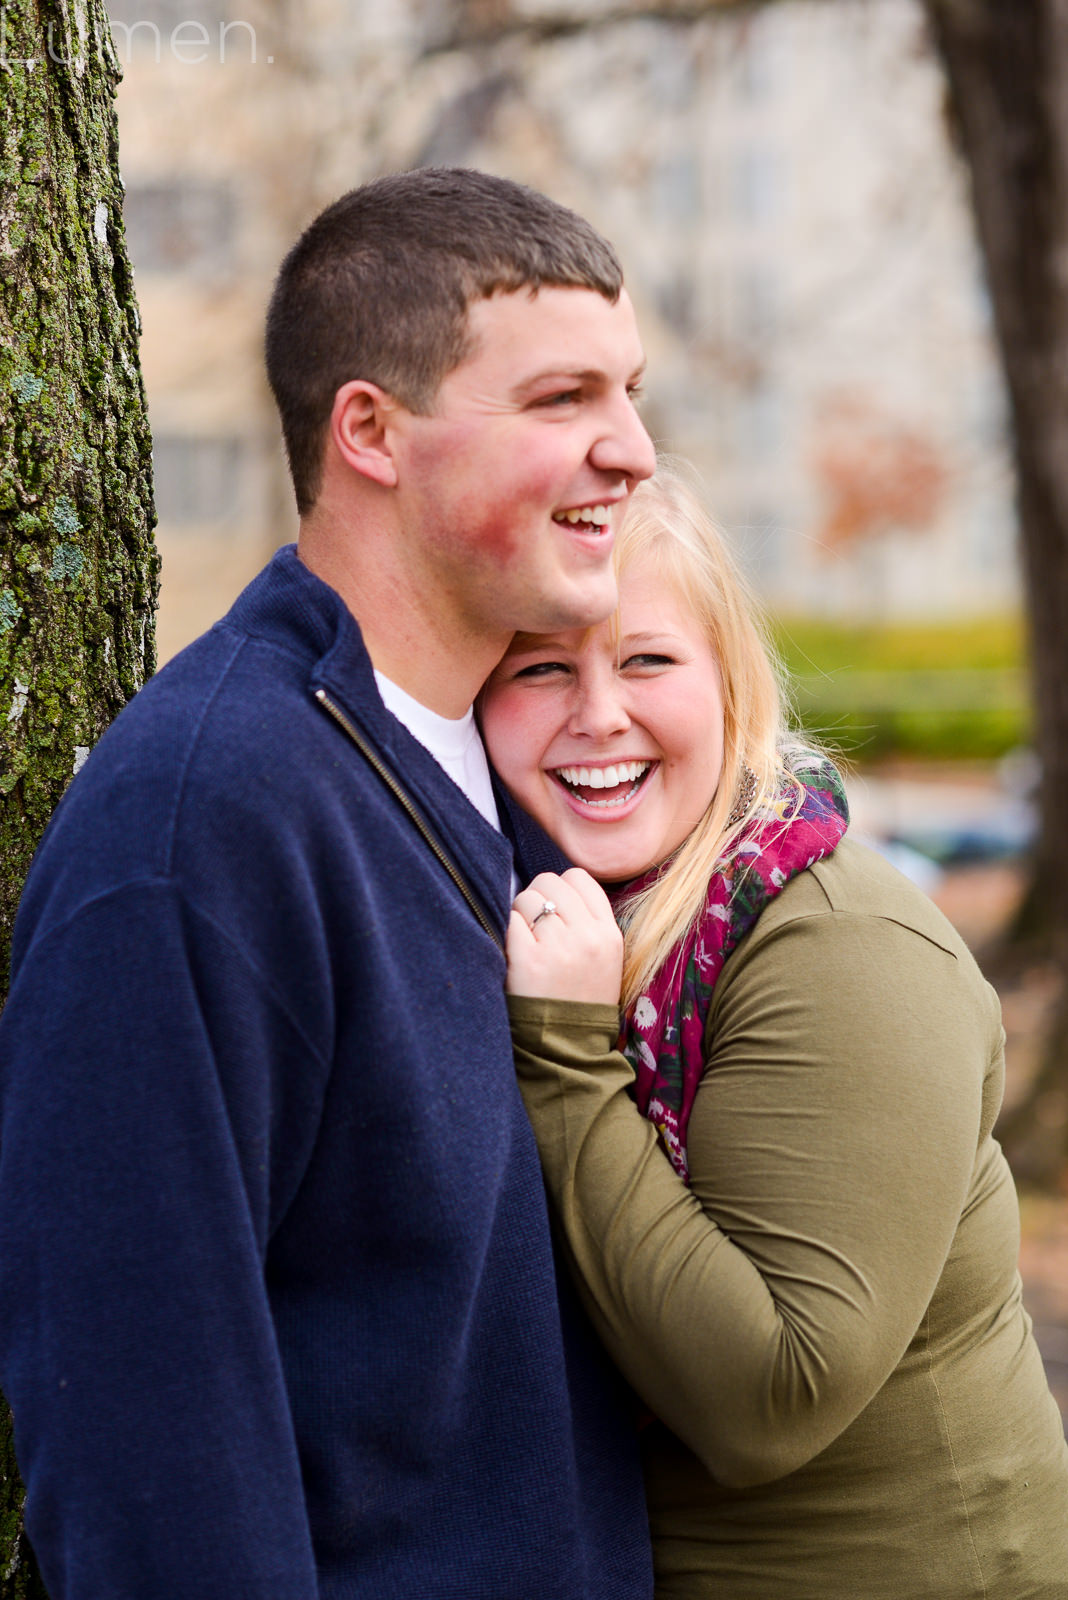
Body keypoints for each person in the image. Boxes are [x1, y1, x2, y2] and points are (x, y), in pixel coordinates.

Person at [0, 168, 659, 1599]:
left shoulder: (519, 770)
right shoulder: (200, 826)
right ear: (371, 430)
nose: (634, 451)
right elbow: (139, 1430)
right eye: (562, 402)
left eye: (631, 393)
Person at [479, 462, 1068, 1598]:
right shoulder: (554, 908)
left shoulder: (843, 949)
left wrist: (564, 1056)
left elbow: (771, 1396)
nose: (598, 712)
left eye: (648, 658)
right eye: (541, 666)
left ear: (732, 684)